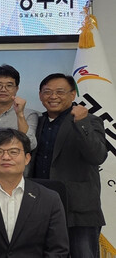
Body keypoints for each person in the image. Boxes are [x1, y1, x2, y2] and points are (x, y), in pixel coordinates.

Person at [32, 73, 107, 258]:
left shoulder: (89, 120)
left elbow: (98, 156)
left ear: (73, 94)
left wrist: (81, 122)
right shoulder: (37, 122)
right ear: (40, 95)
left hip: (79, 209)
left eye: (60, 92)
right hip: (42, 208)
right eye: (47, 92)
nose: (53, 96)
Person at [0, 128, 68, 257]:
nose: (6, 157)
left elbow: (58, 250)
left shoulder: (49, 199)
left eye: (13, 152)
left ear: (27, 158)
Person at [0, 65, 38, 179]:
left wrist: (20, 114)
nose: (3, 89)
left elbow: (31, 145)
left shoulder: (29, 115)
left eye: (9, 85)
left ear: (16, 89)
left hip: (18, 177)